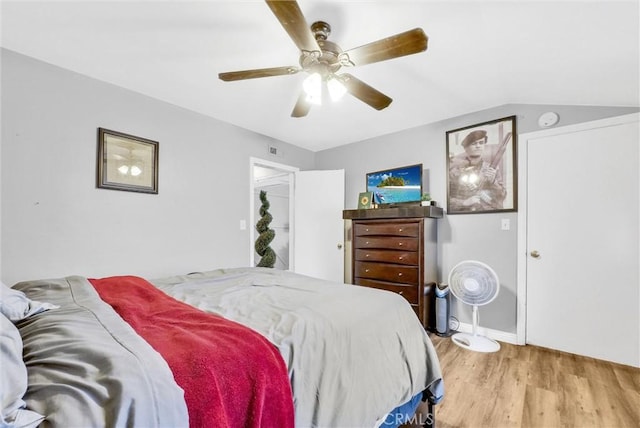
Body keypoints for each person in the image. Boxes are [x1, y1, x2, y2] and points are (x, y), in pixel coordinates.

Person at [448, 129, 506, 212]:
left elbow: (502, 196)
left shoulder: (492, 169)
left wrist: (493, 182)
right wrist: (464, 202)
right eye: (474, 143)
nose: (478, 146)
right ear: (466, 148)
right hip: (464, 214)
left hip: (489, 213)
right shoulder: (455, 171)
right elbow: (446, 199)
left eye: (481, 143)